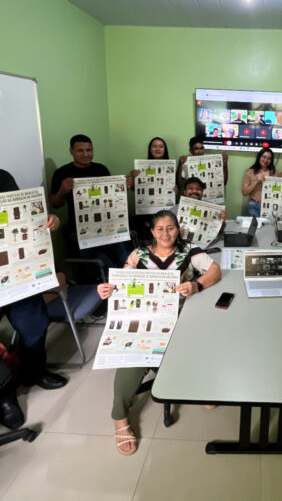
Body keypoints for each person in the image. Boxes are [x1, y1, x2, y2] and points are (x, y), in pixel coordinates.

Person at [97, 210, 222, 455]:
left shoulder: (190, 251)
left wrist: (197, 285)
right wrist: (109, 290)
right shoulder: (139, 255)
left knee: (195, 347)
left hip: (181, 319)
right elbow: (123, 282)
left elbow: (215, 270)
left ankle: (192, 380)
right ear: (153, 232)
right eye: (160, 229)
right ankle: (120, 417)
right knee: (130, 358)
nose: (166, 234)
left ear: (179, 230)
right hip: (146, 321)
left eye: (171, 228)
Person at [0, 169, 67, 400]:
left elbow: (23, 217)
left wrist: (48, 220)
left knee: (34, 325)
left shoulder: (3, 177)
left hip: (16, 272)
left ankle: (36, 373)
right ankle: (6, 397)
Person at [49, 134, 131, 268]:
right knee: (98, 262)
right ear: (71, 151)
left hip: (107, 224)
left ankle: (124, 278)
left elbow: (112, 198)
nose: (86, 154)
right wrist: (62, 191)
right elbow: (55, 204)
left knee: (124, 256)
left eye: (89, 150)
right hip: (80, 229)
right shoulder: (62, 173)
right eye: (80, 150)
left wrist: (123, 188)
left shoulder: (101, 169)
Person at [241, 148, 278, 217]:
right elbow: (244, 193)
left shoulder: (275, 172)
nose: (266, 160)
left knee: (269, 227)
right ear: (259, 157)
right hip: (254, 206)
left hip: (270, 206)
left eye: (269, 158)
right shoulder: (249, 172)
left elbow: (278, 191)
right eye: (264, 157)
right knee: (254, 227)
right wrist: (257, 181)